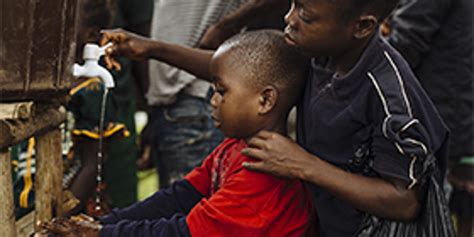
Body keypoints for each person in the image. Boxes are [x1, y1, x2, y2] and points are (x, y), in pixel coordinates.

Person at [98, 0, 451, 236]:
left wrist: (304, 165)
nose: (289, 18)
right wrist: (153, 49)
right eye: (293, 4)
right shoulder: (320, 53)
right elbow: (238, 71)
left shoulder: (388, 93)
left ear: (361, 26)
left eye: (306, 15)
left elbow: (405, 201)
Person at [41, 30, 315, 237]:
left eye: (221, 91)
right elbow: (181, 195)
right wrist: (104, 223)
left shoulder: (263, 175)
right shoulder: (235, 147)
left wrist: (103, 233)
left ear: (265, 101)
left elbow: (184, 232)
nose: (213, 100)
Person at [385, 1, 473, 236]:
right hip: (452, 114)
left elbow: (403, 45)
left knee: (427, 215)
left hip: (435, 120)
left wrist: (347, 46)